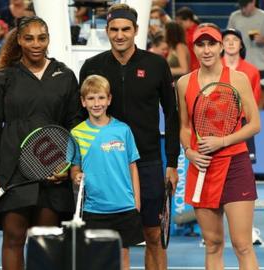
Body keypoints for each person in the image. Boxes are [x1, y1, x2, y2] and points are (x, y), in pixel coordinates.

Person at [79, 4, 180, 270]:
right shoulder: (92, 66)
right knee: (110, 240)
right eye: (114, 29)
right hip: (105, 167)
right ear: (106, 31)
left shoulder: (156, 64)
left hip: (147, 163)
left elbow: (172, 115)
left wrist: (172, 162)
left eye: (126, 29)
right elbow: (81, 121)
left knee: (153, 235)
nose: (120, 35)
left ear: (136, 30)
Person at [0, 16, 81, 270]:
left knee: (45, 240)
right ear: (19, 41)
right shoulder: (3, 77)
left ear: (48, 40)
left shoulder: (65, 76)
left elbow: (75, 125)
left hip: (52, 170)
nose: (36, 44)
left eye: (42, 38)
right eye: (29, 38)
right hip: (13, 170)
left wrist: (69, 166)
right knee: (13, 238)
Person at [176, 23, 260, 269]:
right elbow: (184, 127)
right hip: (202, 168)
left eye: (211, 43)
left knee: (242, 245)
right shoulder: (183, 83)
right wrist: (189, 152)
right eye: (200, 44)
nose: (206, 50)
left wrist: (222, 141)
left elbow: (254, 124)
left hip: (235, 165)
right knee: (212, 244)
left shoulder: (239, 79)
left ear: (220, 46)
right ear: (194, 48)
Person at [70, 75, 143, 270]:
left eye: (101, 98)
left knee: (122, 258)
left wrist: (136, 201)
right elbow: (75, 166)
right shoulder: (77, 133)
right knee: (97, 261)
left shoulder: (123, 130)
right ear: (83, 102)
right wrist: (75, 176)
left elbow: (132, 166)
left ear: (109, 99)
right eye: (91, 98)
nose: (97, 103)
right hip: (94, 209)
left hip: (124, 206)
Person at [222, 28, 261, 163]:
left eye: (235, 40)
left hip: (243, 124)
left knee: (245, 164)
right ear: (221, 45)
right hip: (218, 122)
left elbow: (254, 100)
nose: (231, 43)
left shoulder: (252, 71)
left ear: (241, 45)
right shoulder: (213, 68)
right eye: (227, 40)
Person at [227, 0, 264, 108]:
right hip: (239, 66)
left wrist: (262, 39)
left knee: (262, 99)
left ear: (253, 2)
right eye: (241, 6)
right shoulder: (234, 16)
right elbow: (227, 37)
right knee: (236, 99)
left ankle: (261, 124)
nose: (243, 9)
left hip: (260, 65)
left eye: (245, 6)